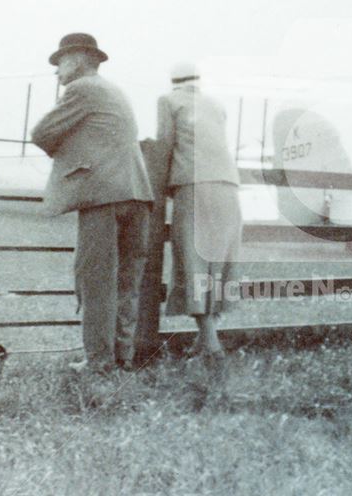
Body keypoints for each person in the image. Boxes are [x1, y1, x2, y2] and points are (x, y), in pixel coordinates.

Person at [31, 33, 154, 374]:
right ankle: (122, 357)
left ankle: (99, 362)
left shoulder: (82, 89)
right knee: (127, 281)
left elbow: (41, 133)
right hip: (138, 195)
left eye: (60, 64)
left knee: (96, 280)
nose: (57, 73)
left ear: (78, 60)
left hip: (104, 197)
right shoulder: (114, 90)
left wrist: (72, 153)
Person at [157, 62, 242, 358]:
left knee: (192, 260)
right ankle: (206, 339)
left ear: (173, 83)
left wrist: (159, 186)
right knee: (218, 263)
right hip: (228, 187)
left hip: (193, 186)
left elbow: (164, 145)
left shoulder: (168, 101)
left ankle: (212, 344)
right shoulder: (216, 105)